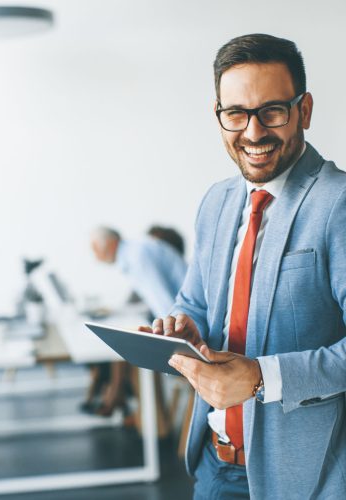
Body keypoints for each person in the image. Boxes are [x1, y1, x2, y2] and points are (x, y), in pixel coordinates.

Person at [139, 33, 346, 499]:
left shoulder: (339, 203)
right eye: (236, 114)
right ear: (219, 116)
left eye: (272, 111)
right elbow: (194, 301)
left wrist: (260, 377)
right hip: (215, 462)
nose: (253, 133)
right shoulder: (216, 201)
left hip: (307, 478)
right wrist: (184, 327)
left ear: (304, 111)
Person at [85, 226, 188, 417]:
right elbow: (150, 300)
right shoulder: (133, 253)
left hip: (188, 326)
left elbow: (163, 302)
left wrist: (171, 344)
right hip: (181, 318)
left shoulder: (137, 256)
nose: (95, 256)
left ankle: (130, 407)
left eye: (95, 249)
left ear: (111, 243)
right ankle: (130, 407)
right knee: (125, 340)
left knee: (127, 344)